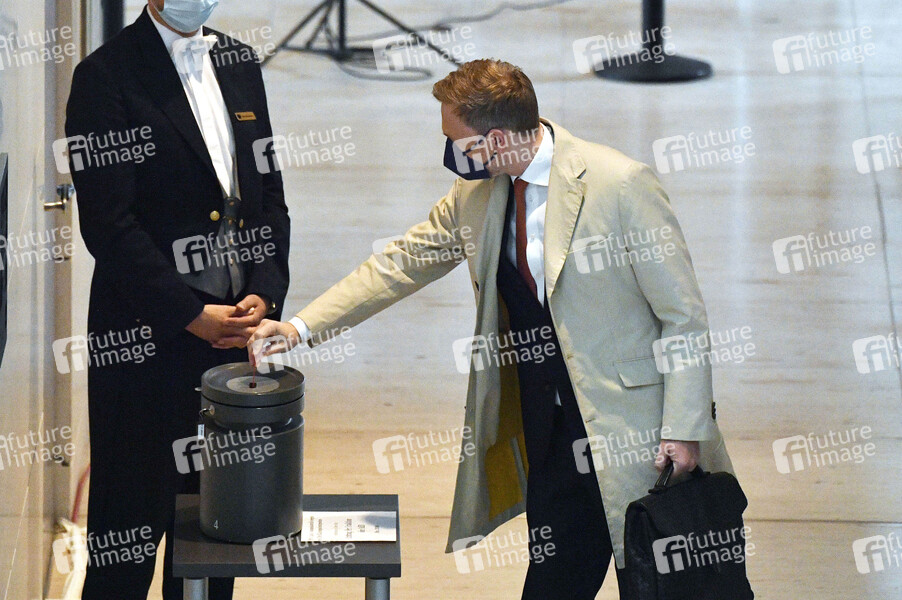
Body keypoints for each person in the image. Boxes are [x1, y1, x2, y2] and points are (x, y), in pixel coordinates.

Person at [248, 59, 733, 599]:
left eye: (454, 140)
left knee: (658, 586)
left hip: (637, 437)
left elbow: (683, 316)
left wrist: (683, 427)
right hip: (551, 434)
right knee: (552, 585)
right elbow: (400, 263)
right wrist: (299, 327)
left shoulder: (620, 184)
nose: (448, 152)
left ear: (496, 139)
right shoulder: (476, 195)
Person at [63, 1, 290, 598]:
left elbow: (268, 192)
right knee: (126, 539)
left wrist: (265, 289)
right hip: (143, 342)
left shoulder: (239, 61)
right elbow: (109, 226)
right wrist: (188, 314)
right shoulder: (105, 76)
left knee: (214, 537)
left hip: (232, 341)